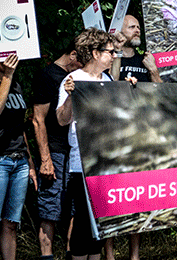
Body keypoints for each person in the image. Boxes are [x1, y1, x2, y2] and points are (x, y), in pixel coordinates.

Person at [57, 28, 122, 260]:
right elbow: (62, 120)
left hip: (106, 157)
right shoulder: (73, 79)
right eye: (110, 52)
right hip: (83, 161)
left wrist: (130, 89)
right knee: (84, 220)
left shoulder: (108, 79)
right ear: (95, 53)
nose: (114, 56)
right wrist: (71, 98)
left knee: (100, 220)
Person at [105, 15, 162, 260]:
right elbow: (109, 86)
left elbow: (161, 95)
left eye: (139, 26)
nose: (138, 29)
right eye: (132, 26)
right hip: (113, 136)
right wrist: (115, 54)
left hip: (141, 136)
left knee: (137, 198)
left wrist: (154, 71)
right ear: (119, 31)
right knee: (111, 199)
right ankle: (109, 255)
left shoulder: (145, 59)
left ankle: (135, 256)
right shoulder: (109, 59)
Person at [0, 45, 38, 260]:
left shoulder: (16, 84)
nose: (9, 58)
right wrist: (7, 75)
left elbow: (20, 127)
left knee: (11, 224)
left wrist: (31, 164)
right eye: (2, 53)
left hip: (19, 161)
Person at [33, 41, 82, 260]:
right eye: (82, 61)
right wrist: (45, 159)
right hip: (55, 151)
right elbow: (38, 120)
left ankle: (72, 255)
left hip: (75, 152)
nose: (84, 67)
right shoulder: (48, 76)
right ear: (72, 55)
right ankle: (47, 256)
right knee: (50, 209)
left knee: (74, 210)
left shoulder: (79, 77)